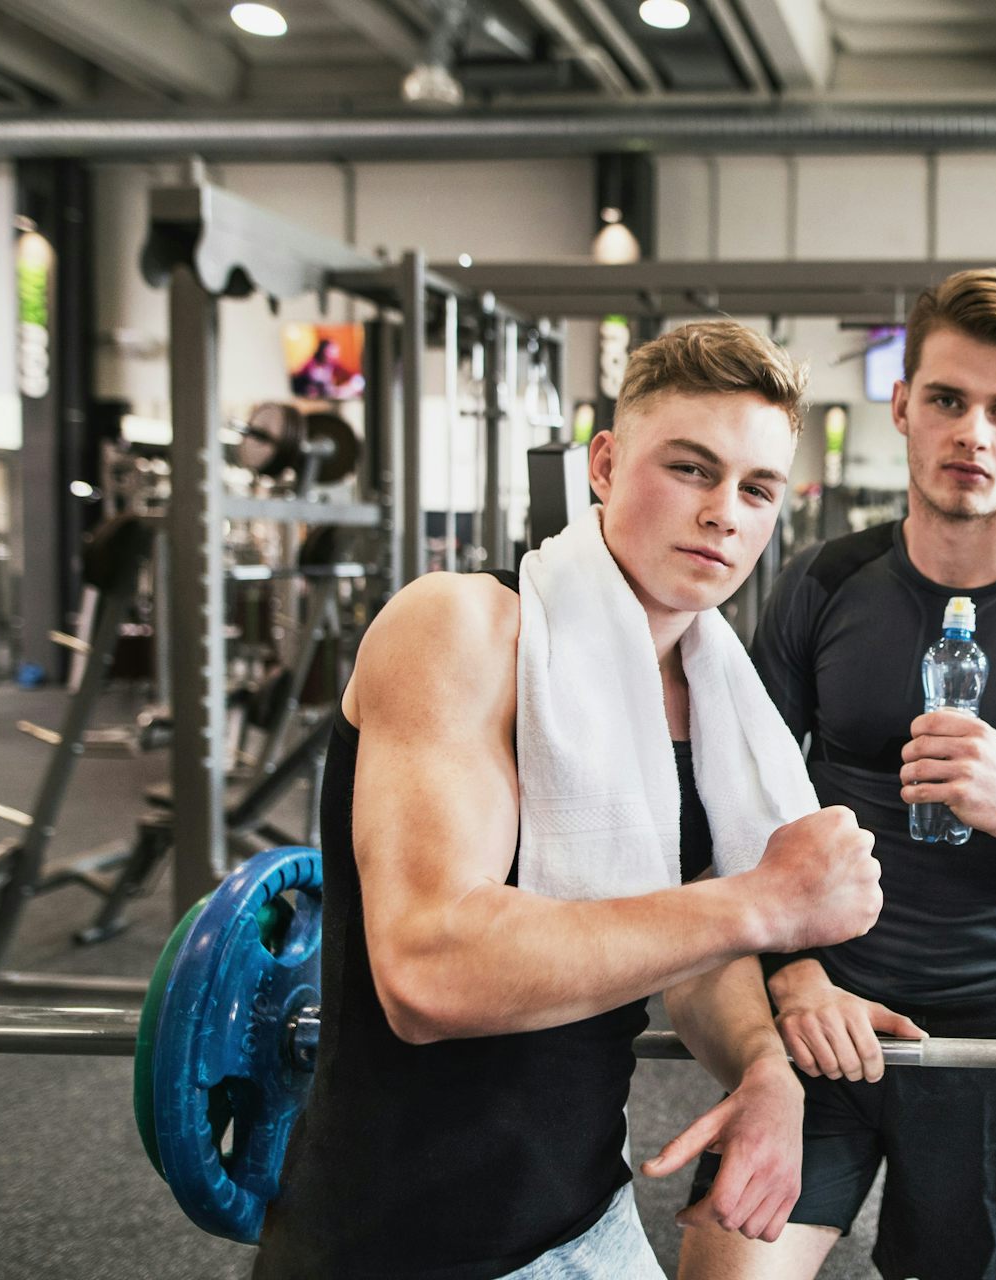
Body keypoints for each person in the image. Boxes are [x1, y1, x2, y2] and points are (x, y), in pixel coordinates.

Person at [254, 321, 885, 1280]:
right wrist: (766, 902)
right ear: (604, 463)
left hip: (586, 1215)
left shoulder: (711, 701)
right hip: (404, 1241)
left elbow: (681, 935)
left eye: (756, 489)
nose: (725, 513)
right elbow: (429, 971)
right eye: (691, 469)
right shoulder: (463, 627)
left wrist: (764, 1069)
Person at [680, 269, 996, 1280]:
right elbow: (728, 813)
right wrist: (793, 974)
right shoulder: (822, 583)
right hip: (819, 1012)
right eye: (948, 399)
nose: (973, 433)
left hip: (983, 1039)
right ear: (901, 405)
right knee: (720, 1265)